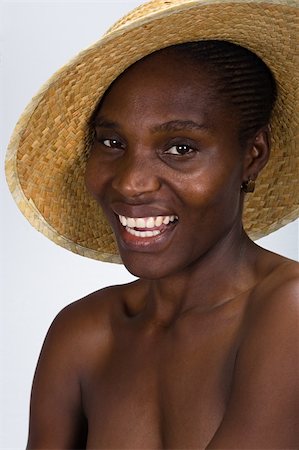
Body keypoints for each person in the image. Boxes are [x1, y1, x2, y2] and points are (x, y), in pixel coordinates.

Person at [5, 0, 298, 448]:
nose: (131, 183)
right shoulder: (83, 333)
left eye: (180, 148)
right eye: (113, 142)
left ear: (252, 156)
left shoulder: (288, 311)